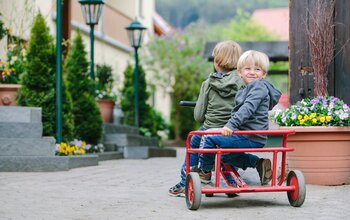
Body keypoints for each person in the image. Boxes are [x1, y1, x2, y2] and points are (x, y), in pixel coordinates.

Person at [169, 41, 260, 197]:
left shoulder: (208, 83)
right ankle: (231, 181)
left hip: (209, 130)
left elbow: (198, 116)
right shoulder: (243, 82)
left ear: (217, 63)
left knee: (194, 142)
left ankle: (186, 182)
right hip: (234, 130)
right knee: (226, 147)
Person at [196, 50, 281, 186]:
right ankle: (258, 163)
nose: (252, 72)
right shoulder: (246, 89)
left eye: (257, 69)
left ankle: (205, 171)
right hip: (249, 135)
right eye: (247, 68)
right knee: (225, 156)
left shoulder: (258, 87)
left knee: (209, 137)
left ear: (263, 74)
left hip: (249, 135)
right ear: (239, 72)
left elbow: (248, 108)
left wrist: (230, 125)